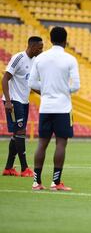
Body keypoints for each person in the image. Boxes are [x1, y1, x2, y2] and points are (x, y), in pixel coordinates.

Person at [28, 26, 80, 191]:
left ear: (50, 40)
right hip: (63, 107)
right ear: (65, 40)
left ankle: (36, 182)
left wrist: (47, 90)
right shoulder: (70, 59)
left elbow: (31, 83)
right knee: (61, 144)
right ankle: (55, 182)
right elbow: (76, 86)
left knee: (42, 143)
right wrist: (63, 90)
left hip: (46, 107)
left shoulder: (40, 58)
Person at [2, 36, 43, 177]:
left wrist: (46, 93)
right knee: (20, 132)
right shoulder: (18, 58)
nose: (41, 50)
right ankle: (25, 168)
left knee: (17, 134)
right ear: (32, 47)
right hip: (14, 100)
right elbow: (5, 78)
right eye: (39, 48)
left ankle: (8, 168)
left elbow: (31, 83)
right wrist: (8, 101)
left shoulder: (35, 61)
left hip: (24, 101)